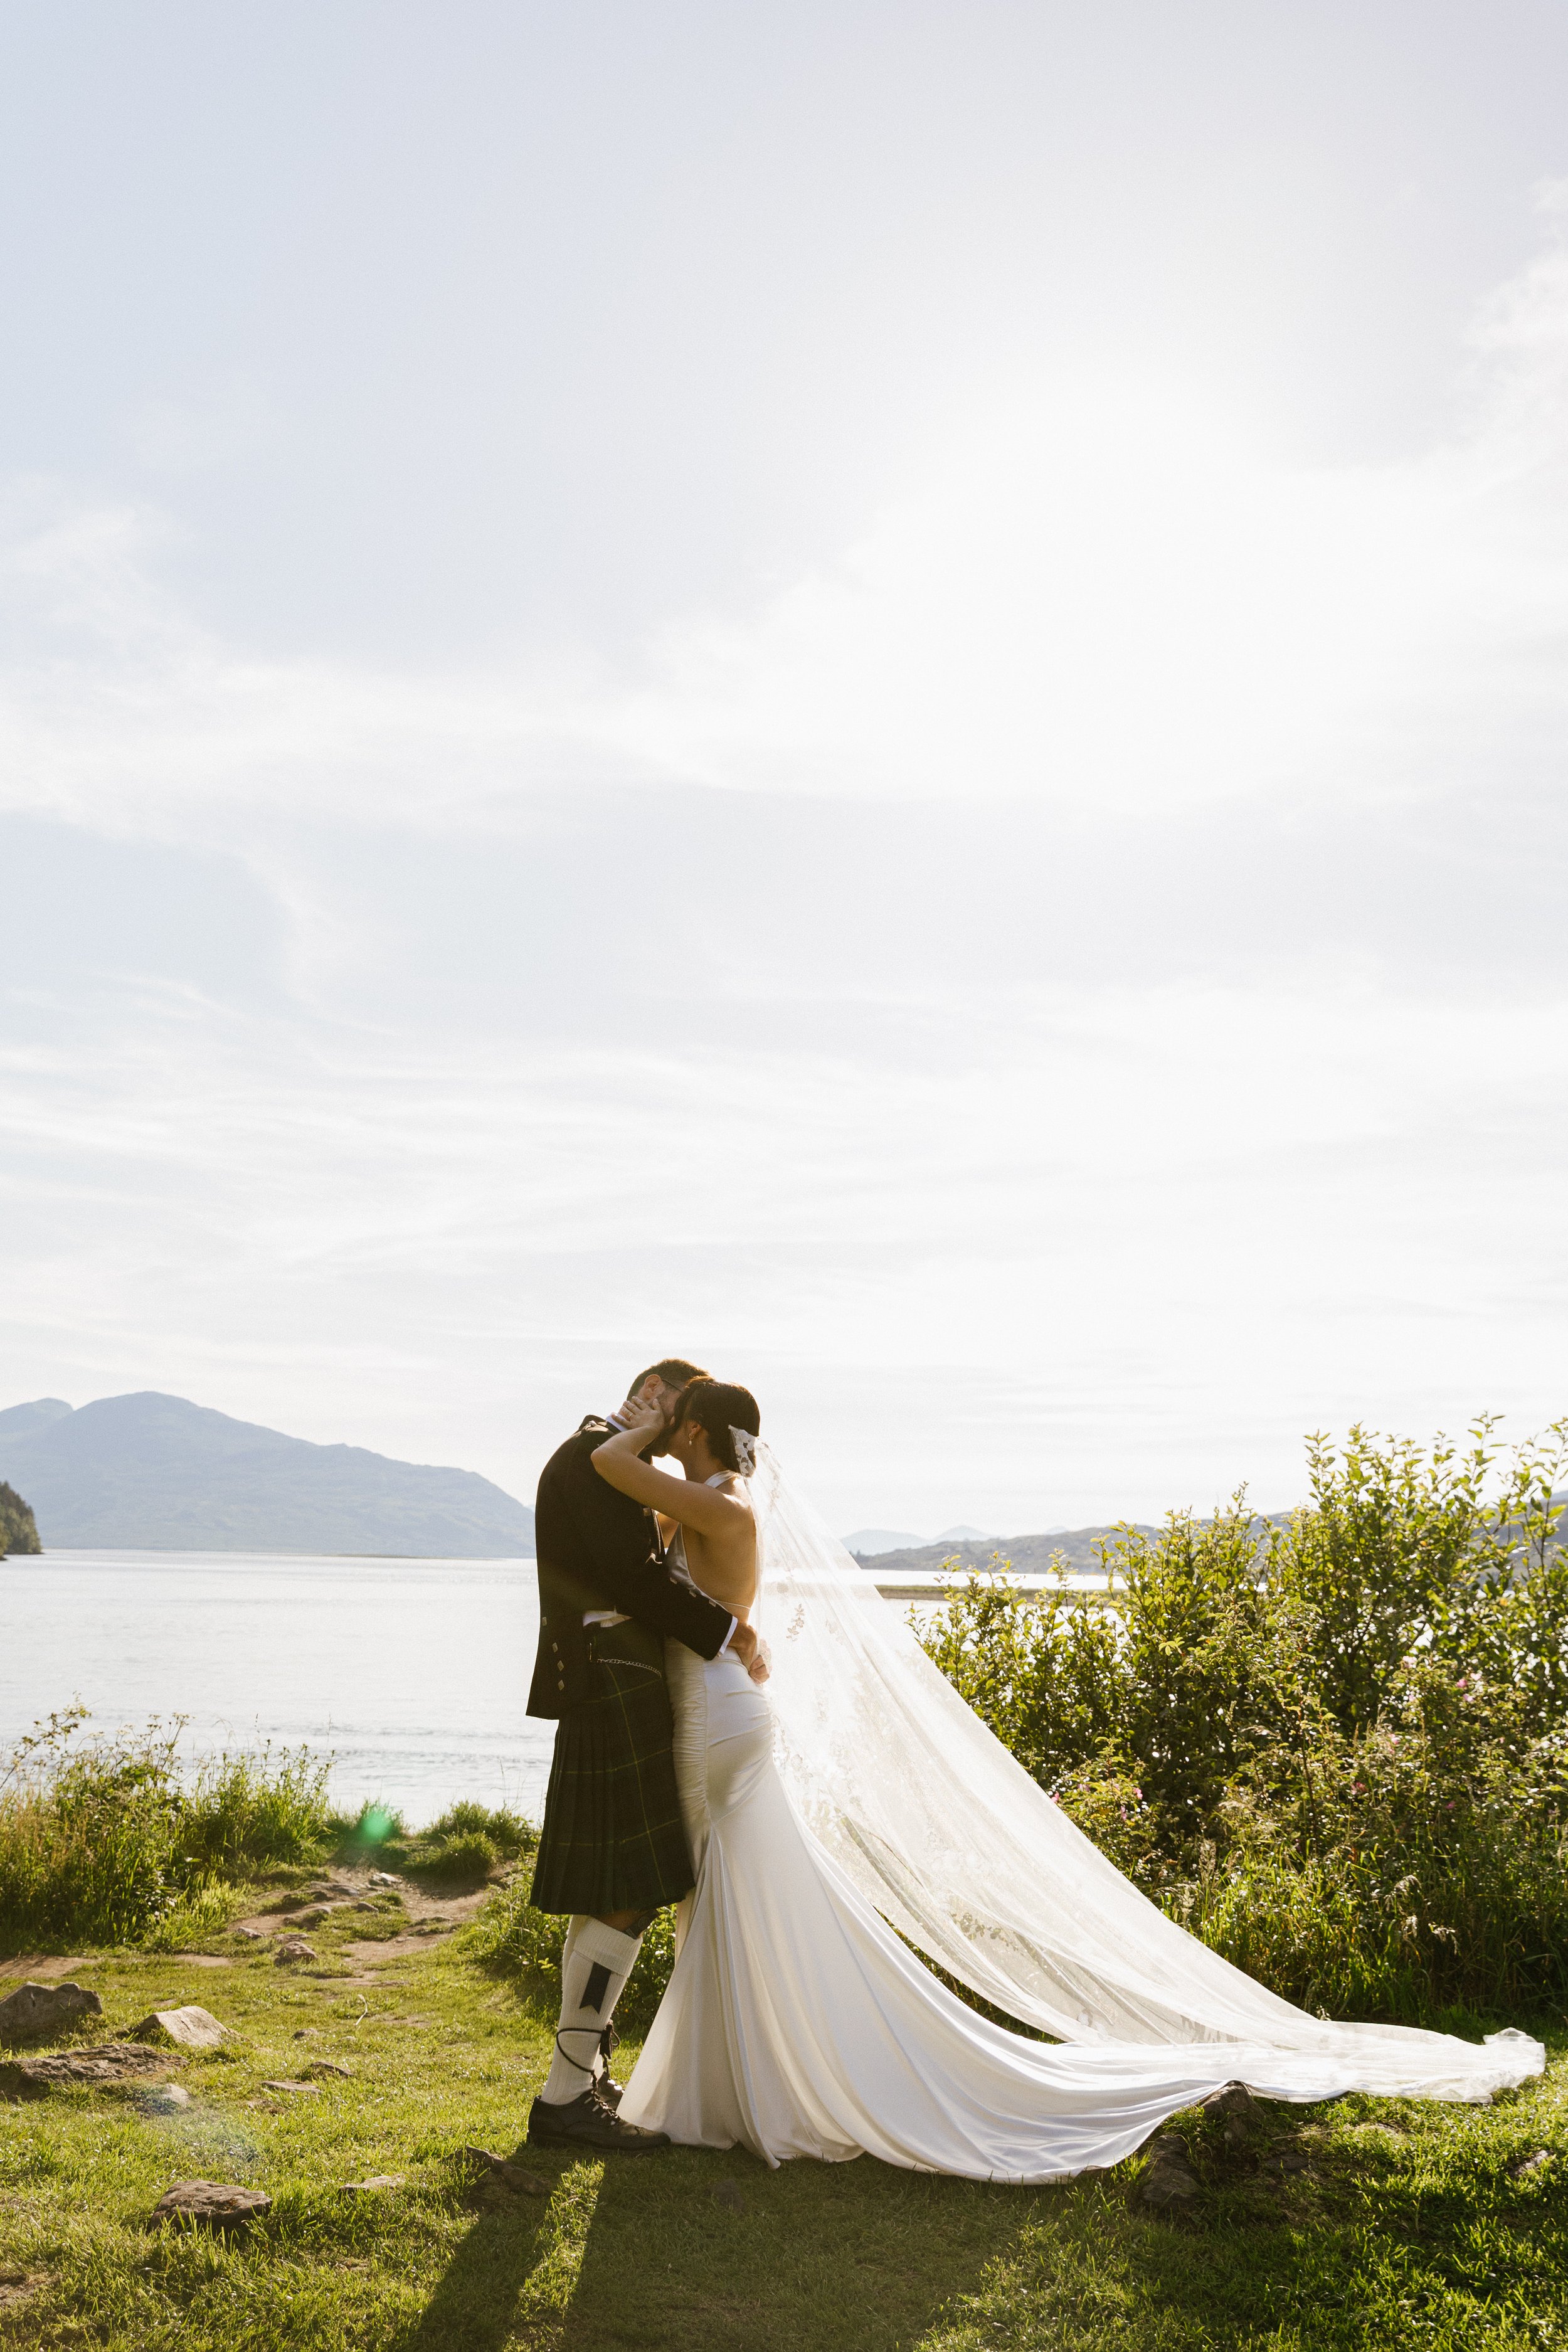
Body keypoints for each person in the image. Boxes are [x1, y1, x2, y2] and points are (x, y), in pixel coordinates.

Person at [588, 1379, 1544, 2182]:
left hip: (722, 1714)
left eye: (682, 1428)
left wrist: (644, 1425)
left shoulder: (727, 1504)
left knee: (741, 1884)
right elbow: (643, 1513)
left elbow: (606, 1466)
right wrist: (667, 1428)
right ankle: (734, 2081)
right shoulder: (704, 1498)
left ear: (701, 1433)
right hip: (716, 1703)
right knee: (732, 1889)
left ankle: (768, 2083)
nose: (669, 1440)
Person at [523, 1357, 764, 2154]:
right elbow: (632, 1579)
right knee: (627, 1885)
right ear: (651, 1394)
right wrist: (729, 1630)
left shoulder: (625, 1468)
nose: (667, 1425)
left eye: (680, 1413)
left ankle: (576, 2080)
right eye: (668, 1403)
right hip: (616, 1678)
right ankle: (567, 2091)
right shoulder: (597, 1455)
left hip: (634, 1682)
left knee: (618, 1885)